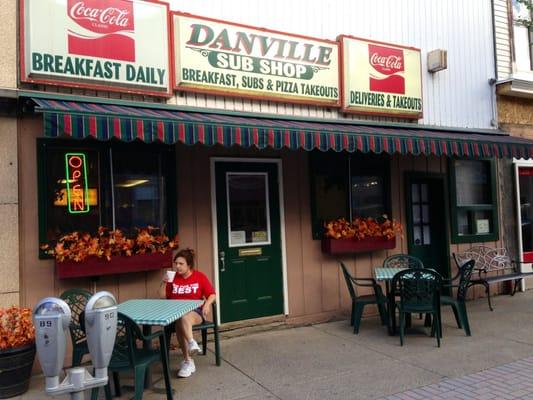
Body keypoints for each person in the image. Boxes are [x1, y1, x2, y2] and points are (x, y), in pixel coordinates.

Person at [159, 248, 216, 378]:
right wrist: (164, 282)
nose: (177, 266)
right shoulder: (173, 278)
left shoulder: (199, 276)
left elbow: (212, 294)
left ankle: (188, 356)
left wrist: (206, 305)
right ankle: (189, 356)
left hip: (194, 312)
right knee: (180, 317)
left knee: (183, 315)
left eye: (181, 264)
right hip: (175, 313)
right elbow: (162, 297)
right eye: (176, 263)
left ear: (188, 265)